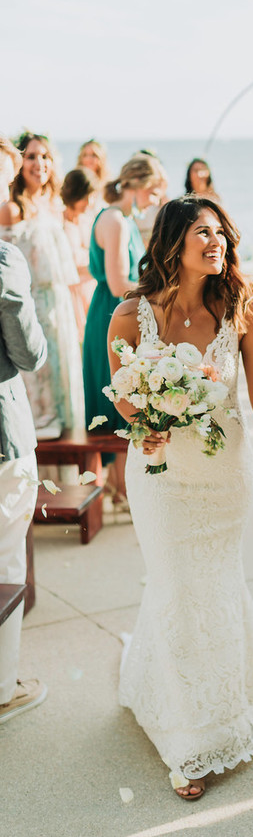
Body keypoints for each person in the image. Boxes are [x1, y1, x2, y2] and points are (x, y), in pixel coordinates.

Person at [108, 195, 253, 800]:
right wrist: (150, 415)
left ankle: (222, 700)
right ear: (173, 241)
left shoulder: (241, 309)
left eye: (221, 232)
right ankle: (189, 737)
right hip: (159, 477)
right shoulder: (132, 315)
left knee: (215, 584)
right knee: (175, 584)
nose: (216, 241)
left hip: (224, 475)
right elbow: (122, 396)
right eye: (203, 232)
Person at [83, 153, 167, 508]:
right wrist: (161, 294)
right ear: (136, 186)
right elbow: (119, 282)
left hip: (114, 312)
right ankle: (121, 494)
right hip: (111, 317)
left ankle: (122, 492)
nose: (153, 201)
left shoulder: (122, 219)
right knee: (118, 397)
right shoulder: (116, 221)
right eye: (152, 193)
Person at [0, 136, 48, 724]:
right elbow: (29, 352)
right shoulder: (5, 259)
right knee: (5, 557)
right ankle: (4, 684)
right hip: (1, 437)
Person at [0, 133, 84, 437]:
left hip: (60, 305)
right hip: (32, 306)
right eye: (32, 156)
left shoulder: (52, 205)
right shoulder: (12, 209)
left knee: (67, 382)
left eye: (45, 156)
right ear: (18, 164)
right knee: (41, 385)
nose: (40, 163)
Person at [61, 167, 98, 340]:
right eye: (85, 196)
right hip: (69, 293)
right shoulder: (59, 223)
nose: (89, 202)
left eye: (91, 196)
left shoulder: (89, 220)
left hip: (89, 290)